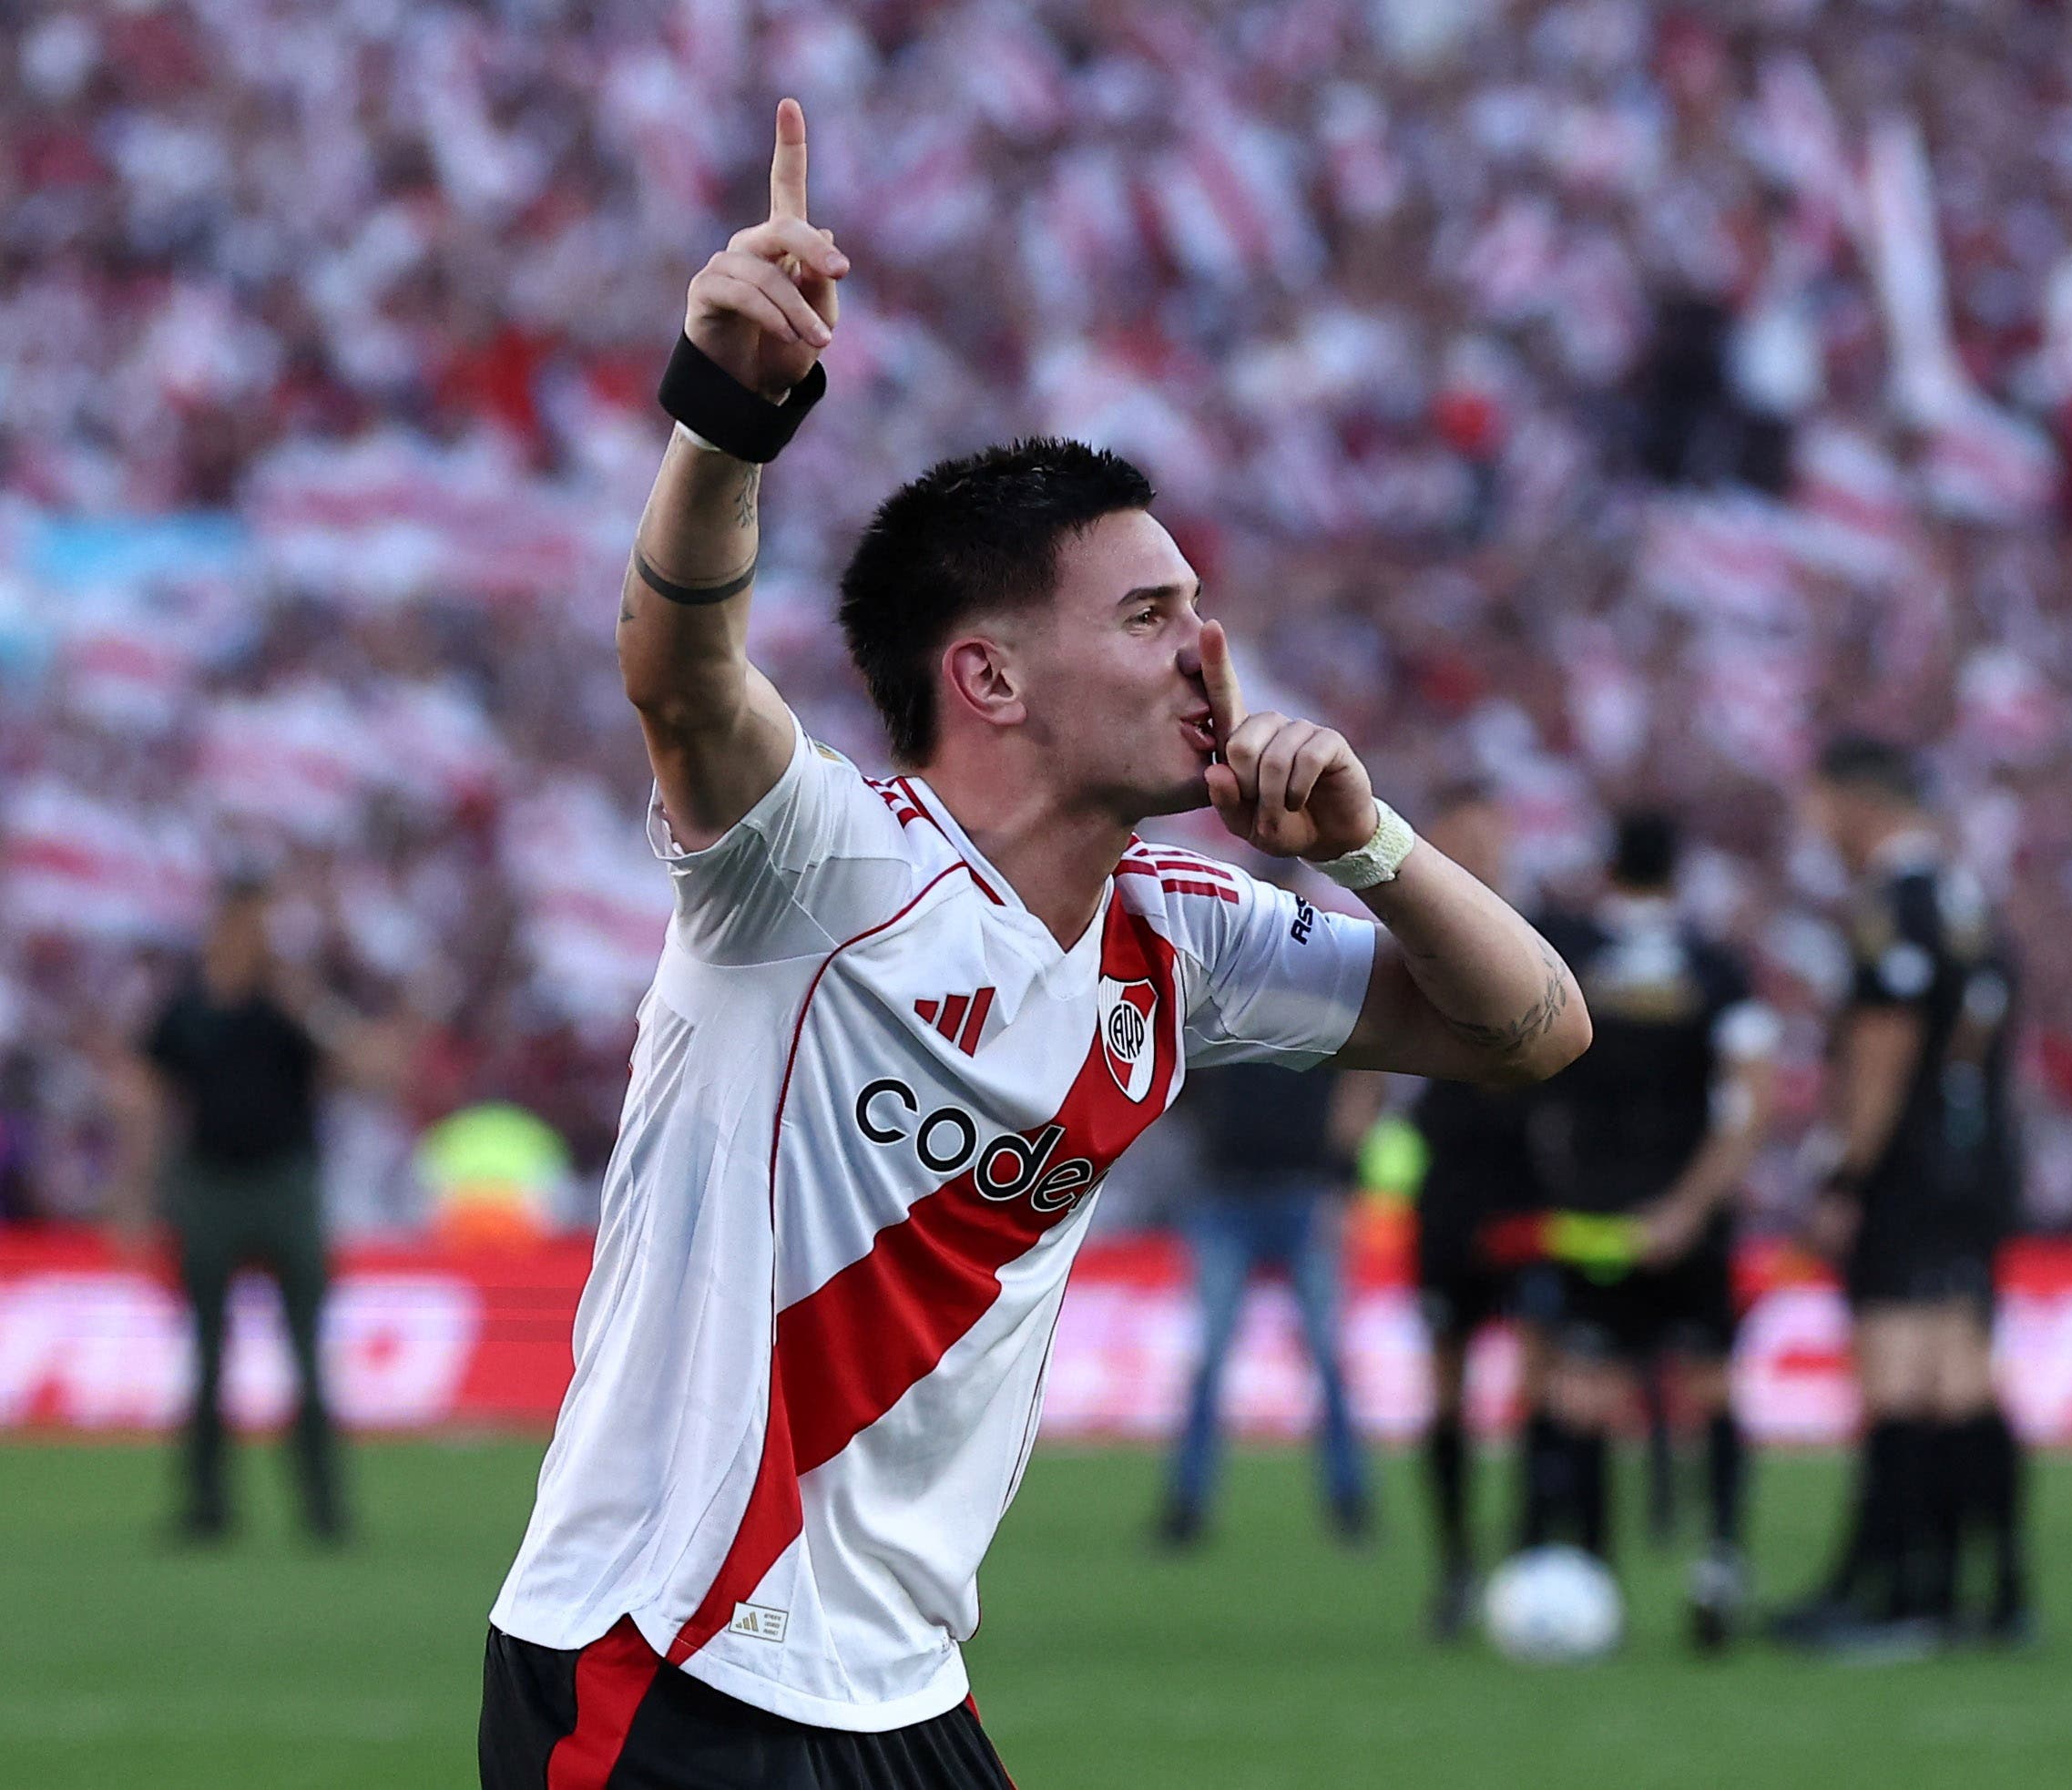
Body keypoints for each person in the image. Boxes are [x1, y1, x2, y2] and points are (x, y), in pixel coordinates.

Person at [478, 98, 1591, 1790]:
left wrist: (1369, 841)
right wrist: (724, 422)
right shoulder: (815, 862)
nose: (1203, 655)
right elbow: (679, 671)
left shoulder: (1180, 937)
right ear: (987, 677)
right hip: (668, 1669)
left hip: (906, 1695)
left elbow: (1531, 1030)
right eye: (1148, 618)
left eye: (1200, 613)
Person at [1775, 737, 2030, 1652]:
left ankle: (1898, 1590)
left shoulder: (1892, 909)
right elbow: (1972, 1042)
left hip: (1910, 1172)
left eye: (1819, 808)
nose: (1816, 829)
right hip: (1976, 1161)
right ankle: (1995, 1589)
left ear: (1859, 802)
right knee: (1960, 1375)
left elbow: (1882, 1056)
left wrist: (1844, 1172)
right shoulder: (1965, 901)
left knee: (1899, 1378)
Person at [1515, 813, 1777, 1652]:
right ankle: (1719, 1558)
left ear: (1609, 868)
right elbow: (1748, 1098)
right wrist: (1692, 1208)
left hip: (1593, 1217)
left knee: (1586, 1398)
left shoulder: (1568, 954)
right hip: (1686, 1218)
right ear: (1677, 872)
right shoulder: (1717, 967)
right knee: (1708, 1389)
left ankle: (1591, 1579)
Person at [108, 876, 377, 1545]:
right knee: (204, 1351)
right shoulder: (186, 1010)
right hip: (210, 1183)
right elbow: (148, 1093)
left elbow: (358, 1064)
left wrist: (304, 999)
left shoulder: (289, 1005)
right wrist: (137, 1192)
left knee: (307, 1349)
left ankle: (322, 1506)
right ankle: (206, 1505)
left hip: (283, 1182)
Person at [1403, 782, 1546, 1640]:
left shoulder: (1537, 944)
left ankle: (1533, 1551)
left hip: (1529, 1198)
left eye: (1485, 843)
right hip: (1449, 1197)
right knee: (1448, 1387)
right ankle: (1457, 1562)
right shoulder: (1410, 945)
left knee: (1538, 1382)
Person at [1158, 1053, 1379, 1548]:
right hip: (1230, 1192)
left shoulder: (1302, 999)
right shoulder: (1264, 998)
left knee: (1324, 1360)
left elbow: (1361, 1083)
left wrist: (1342, 1181)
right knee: (1214, 1363)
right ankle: (1186, 1507)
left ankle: (1349, 1502)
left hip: (1300, 1192)